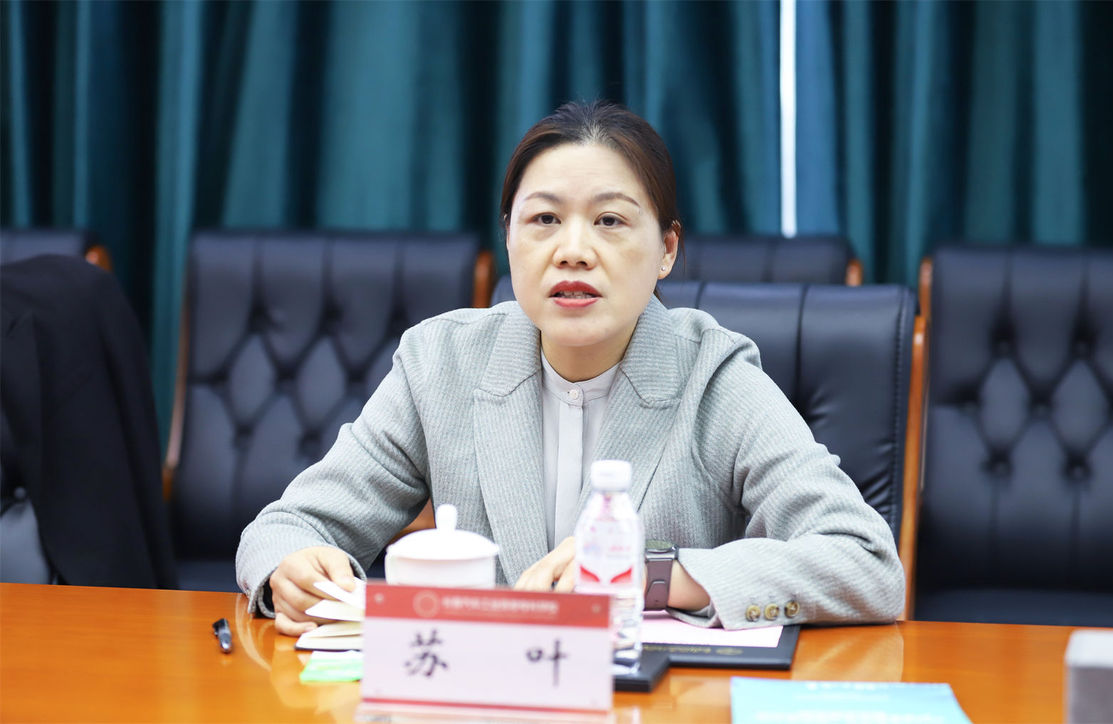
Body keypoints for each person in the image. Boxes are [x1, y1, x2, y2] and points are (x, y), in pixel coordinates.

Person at [236, 100, 904, 635]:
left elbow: (868, 564)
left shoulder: (715, 376)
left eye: (610, 221)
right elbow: (284, 528)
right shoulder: (440, 364)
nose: (573, 250)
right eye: (544, 220)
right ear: (508, 237)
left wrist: (653, 577)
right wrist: (291, 567)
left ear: (666, 250)